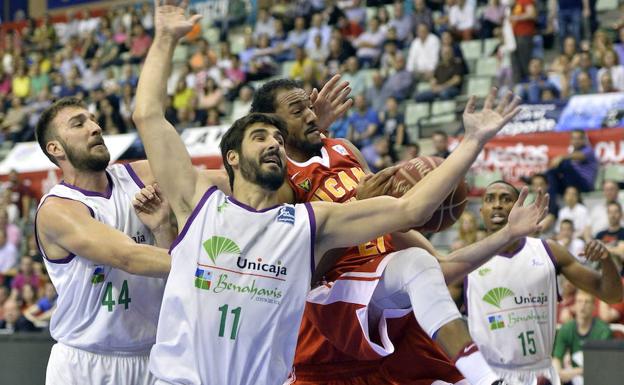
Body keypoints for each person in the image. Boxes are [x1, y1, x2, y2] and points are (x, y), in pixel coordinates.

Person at [133, 3, 534, 384]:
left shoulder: (318, 204)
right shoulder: (206, 204)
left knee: (417, 265)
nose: (275, 142)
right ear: (233, 157)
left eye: (278, 136)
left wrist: (473, 141)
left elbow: (414, 209)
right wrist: (166, 38)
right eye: (263, 134)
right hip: (311, 311)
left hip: (357, 298)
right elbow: (149, 118)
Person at [249, 77, 546, 385]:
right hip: (330, 319)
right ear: (272, 128)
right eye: (298, 111)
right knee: (413, 264)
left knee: (419, 263)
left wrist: (508, 234)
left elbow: (440, 267)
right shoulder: (280, 180)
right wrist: (356, 211)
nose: (311, 115)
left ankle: (484, 378)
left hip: (383, 307)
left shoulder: (343, 150)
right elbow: (298, 278)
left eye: (310, 107)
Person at [34, 96, 175, 384]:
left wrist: (162, 227)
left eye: (93, 119)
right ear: (55, 148)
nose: (95, 127)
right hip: (85, 363)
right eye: (79, 123)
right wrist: (213, 270)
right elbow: (129, 258)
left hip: (153, 357)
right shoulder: (58, 209)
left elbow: (212, 185)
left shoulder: (139, 175)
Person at [465, 181, 622, 384]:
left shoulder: (549, 251)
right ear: (481, 211)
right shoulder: (465, 262)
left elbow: (612, 295)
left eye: (506, 199)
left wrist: (607, 260)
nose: (497, 205)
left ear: (518, 209)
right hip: (490, 376)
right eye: (490, 199)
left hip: (541, 374)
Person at [553, 290, 612, 384]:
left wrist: (574, 372)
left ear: (594, 306)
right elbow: (556, 358)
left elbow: (602, 365)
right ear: (574, 305)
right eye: (579, 301)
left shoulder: (603, 330)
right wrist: (558, 374)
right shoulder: (566, 328)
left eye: (587, 302)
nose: (582, 306)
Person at [546, 129, 599, 197]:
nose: (576, 141)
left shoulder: (589, 150)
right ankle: (552, 205)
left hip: (585, 184)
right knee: (551, 176)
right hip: (572, 183)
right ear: (571, 141)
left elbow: (580, 155)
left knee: (565, 163)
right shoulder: (571, 154)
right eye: (574, 139)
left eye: (579, 139)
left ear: (584, 140)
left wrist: (561, 157)